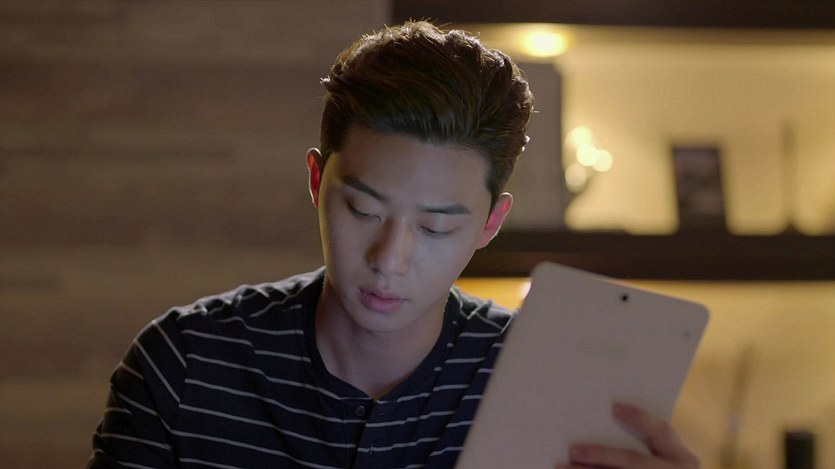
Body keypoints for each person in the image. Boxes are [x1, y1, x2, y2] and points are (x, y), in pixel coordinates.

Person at [87, 21, 699, 469]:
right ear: (316, 182)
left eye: (435, 228)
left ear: (490, 224)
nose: (389, 260)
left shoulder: (544, 386)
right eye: (363, 210)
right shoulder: (184, 365)